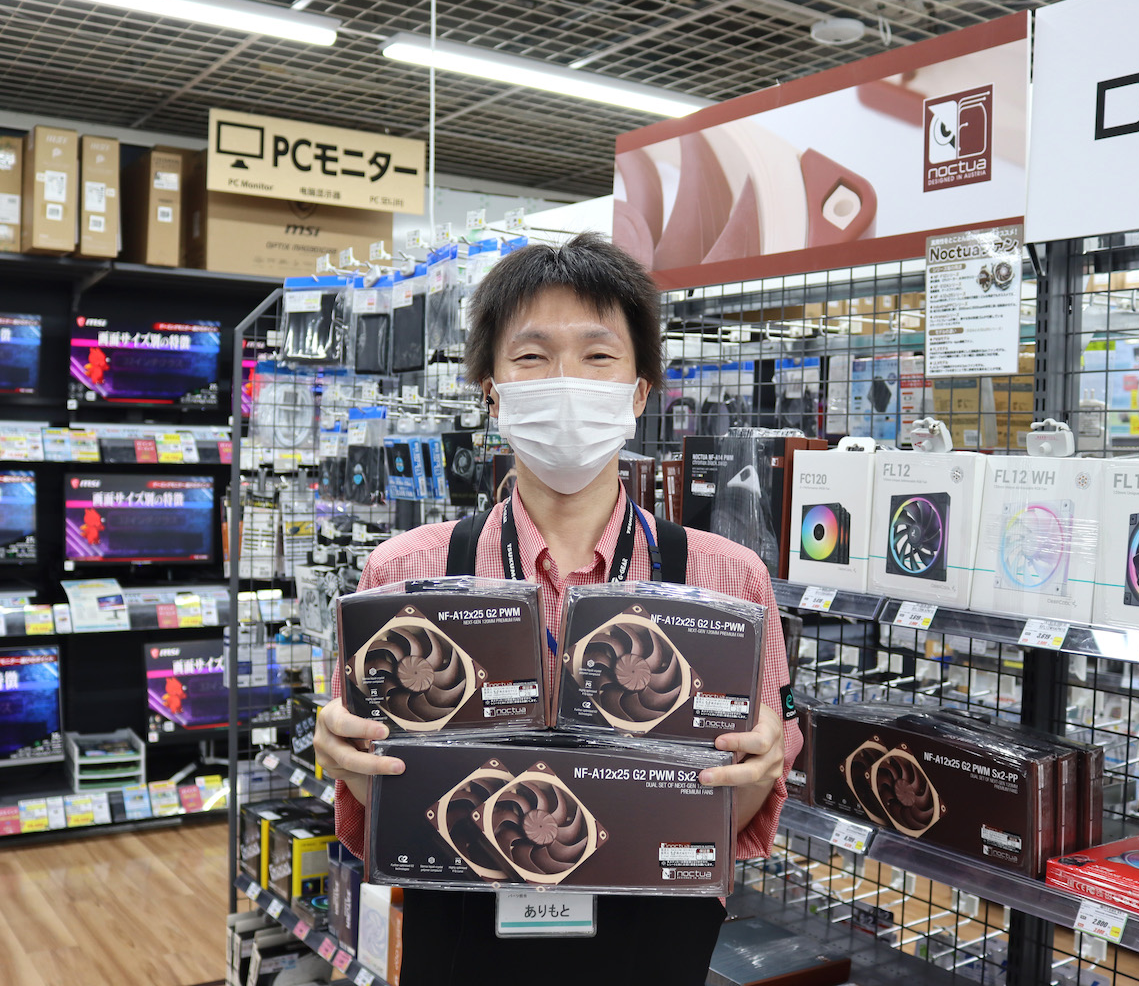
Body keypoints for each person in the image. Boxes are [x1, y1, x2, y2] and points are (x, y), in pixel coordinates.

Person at [314, 232, 801, 985]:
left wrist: (760, 768)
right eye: (533, 356)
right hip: (463, 934)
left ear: (639, 393)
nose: (567, 381)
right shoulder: (406, 573)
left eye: (598, 355)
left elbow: (739, 806)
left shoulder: (727, 581)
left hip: (652, 939)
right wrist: (343, 754)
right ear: (492, 392)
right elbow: (375, 788)